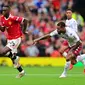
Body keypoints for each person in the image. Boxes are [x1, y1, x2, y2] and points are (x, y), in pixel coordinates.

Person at [0, 5, 28, 78]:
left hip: (16, 38)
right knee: (14, 61)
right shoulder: (2, 18)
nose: (3, 12)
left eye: (5, 10)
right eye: (2, 10)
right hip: (9, 39)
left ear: (8, 11)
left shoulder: (13, 18)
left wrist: (24, 30)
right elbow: (3, 30)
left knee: (2, 52)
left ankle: (15, 57)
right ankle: (22, 71)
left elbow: (25, 20)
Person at [59, 9, 85, 78]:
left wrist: (74, 40)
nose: (68, 14)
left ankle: (65, 72)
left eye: (69, 13)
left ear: (71, 14)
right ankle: (72, 60)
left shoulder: (73, 21)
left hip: (72, 39)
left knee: (71, 57)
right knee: (61, 51)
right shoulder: (67, 21)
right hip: (68, 39)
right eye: (67, 13)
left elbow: (75, 31)